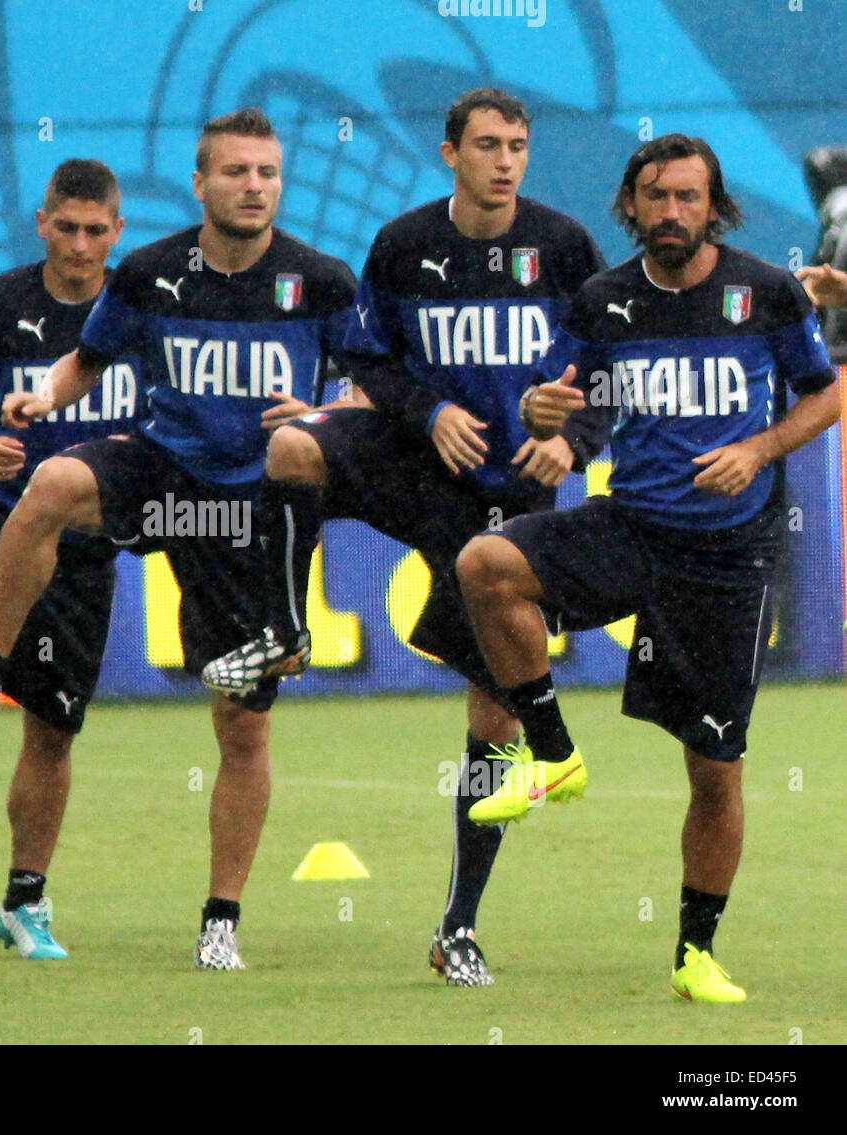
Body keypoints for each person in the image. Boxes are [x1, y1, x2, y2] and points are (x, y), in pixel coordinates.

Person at [202, 89, 606, 986]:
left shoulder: (566, 247)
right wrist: (428, 413)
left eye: (518, 146)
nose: (505, 161)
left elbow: (611, 366)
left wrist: (569, 441)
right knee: (295, 445)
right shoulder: (406, 244)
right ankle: (284, 630)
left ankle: (458, 925)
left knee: (494, 709)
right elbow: (368, 355)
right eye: (487, 145)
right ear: (449, 151)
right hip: (417, 455)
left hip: (504, 495)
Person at [0, 108, 355, 968]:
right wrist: (43, 400)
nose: (254, 187)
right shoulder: (151, 273)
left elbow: (370, 389)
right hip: (166, 472)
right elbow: (89, 361)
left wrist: (324, 412)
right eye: (236, 172)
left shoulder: (320, 282)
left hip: (251, 507)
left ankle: (220, 920)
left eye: (268, 173)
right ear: (200, 182)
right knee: (53, 482)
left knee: (241, 729)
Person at [455, 134, 839, 1002]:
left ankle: (695, 951)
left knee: (715, 768)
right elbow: (557, 393)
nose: (671, 213)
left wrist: (759, 447)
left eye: (689, 198)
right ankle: (552, 751)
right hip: (631, 525)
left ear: (714, 206)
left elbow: (826, 392)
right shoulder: (603, 300)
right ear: (630, 205)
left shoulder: (764, 293)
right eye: (655, 197)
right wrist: (538, 405)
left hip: (727, 556)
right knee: (487, 564)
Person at [0, 159, 142, 958]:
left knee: (52, 729)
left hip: (83, 545)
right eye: (66, 227)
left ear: (118, 232)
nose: (79, 244)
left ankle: (24, 901)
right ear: (41, 223)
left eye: (95, 230)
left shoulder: (138, 313)